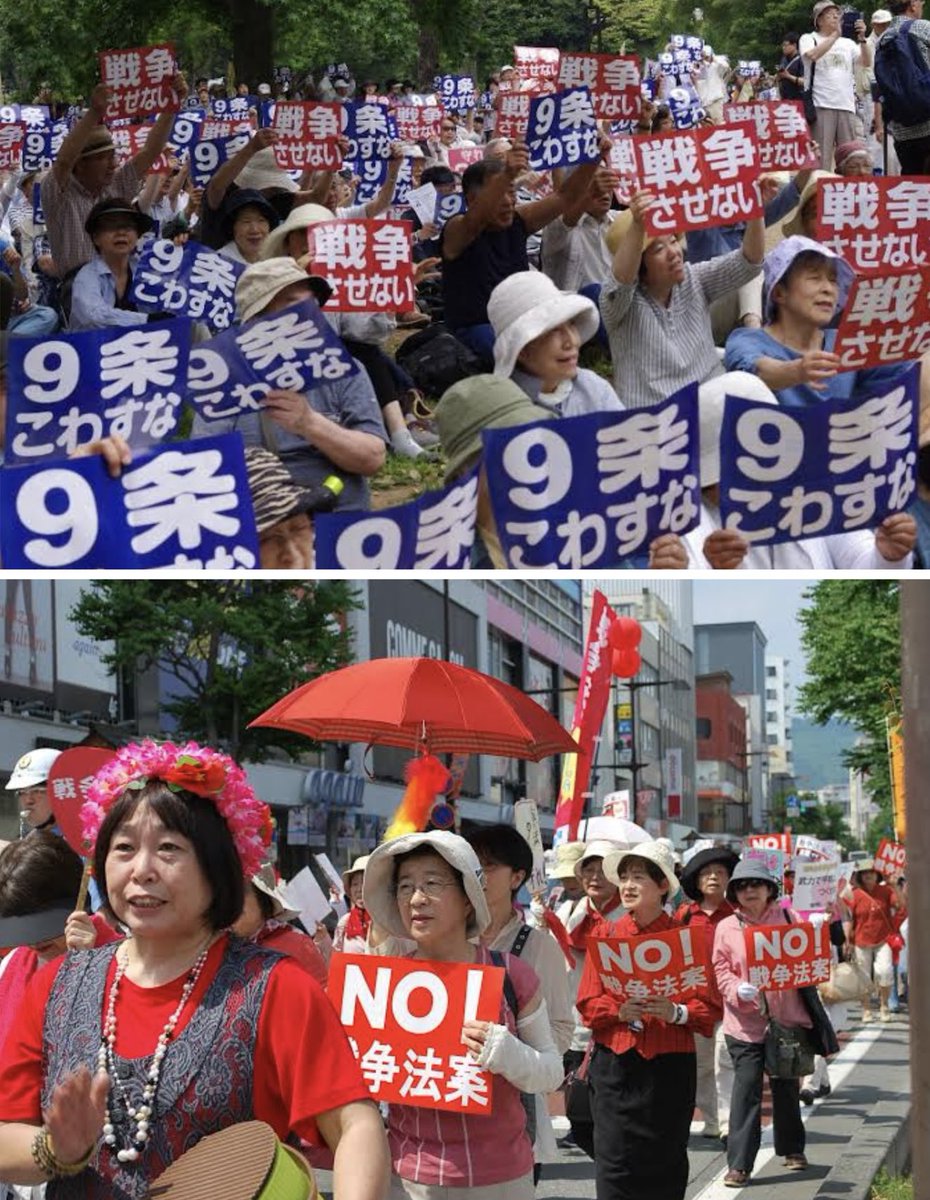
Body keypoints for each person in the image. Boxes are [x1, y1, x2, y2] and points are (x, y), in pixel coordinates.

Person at [0, 739, 389, 1198]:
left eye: (168, 848)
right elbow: (8, 1133)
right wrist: (55, 1150)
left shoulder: (274, 987)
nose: (142, 870)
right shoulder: (58, 985)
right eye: (123, 847)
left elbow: (356, 1125)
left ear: (217, 866)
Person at [362, 830, 563, 1200]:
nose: (416, 899)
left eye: (432, 883)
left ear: (469, 898)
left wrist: (508, 1052)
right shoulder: (383, 983)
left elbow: (551, 1072)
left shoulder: (512, 975)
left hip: (500, 1180)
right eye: (405, 887)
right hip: (407, 1178)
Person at [576, 841, 720, 1200]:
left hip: (670, 1065)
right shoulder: (606, 935)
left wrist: (675, 1012)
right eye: (624, 877)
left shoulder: (685, 939)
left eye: (638, 877)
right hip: (616, 1064)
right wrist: (618, 1011)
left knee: (666, 1159)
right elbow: (588, 1004)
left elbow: (708, 1010)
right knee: (613, 1162)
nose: (627, 885)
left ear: (662, 885)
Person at [191, 257, 387, 512]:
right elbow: (206, 467)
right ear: (257, 321)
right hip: (266, 523)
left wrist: (311, 424)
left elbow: (372, 459)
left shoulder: (345, 370)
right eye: (295, 305)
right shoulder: (225, 383)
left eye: (313, 304)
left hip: (340, 517)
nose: (311, 314)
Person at [465, 824, 575, 1175]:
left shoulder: (538, 946)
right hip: (448, 1095)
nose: (478, 874)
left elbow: (561, 1029)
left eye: (489, 866)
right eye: (472, 864)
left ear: (517, 877)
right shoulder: (442, 937)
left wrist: (510, 1051)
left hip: (513, 1107)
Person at [600, 190, 772, 410]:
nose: (674, 252)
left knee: (752, 389)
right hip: (656, 416)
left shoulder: (694, 278)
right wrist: (638, 225)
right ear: (638, 265)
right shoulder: (619, 304)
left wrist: (756, 209)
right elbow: (621, 281)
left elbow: (749, 263)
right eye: (658, 249)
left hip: (712, 401)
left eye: (673, 241)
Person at [441, 142, 602, 367]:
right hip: (478, 328)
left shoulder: (520, 220)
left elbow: (565, 197)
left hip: (527, 322)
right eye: (500, 193)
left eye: (511, 192)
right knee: (502, 346)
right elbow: (475, 219)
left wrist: (595, 155)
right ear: (471, 199)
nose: (509, 202)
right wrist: (508, 173)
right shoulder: (457, 230)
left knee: (594, 296)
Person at [712, 859, 813, 1187]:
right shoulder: (726, 927)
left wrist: (819, 933)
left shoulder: (790, 918)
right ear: (734, 893)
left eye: (756, 884)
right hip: (743, 1024)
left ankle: (793, 1148)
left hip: (785, 1019)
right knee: (746, 1090)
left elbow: (809, 960)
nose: (749, 890)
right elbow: (720, 969)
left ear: (770, 889)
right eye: (741, 886)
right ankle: (739, 1164)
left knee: (786, 1086)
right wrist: (736, 988)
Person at [724, 236, 908, 407]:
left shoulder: (848, 343)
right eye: (814, 278)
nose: (828, 289)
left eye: (833, 280)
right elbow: (751, 374)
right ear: (779, 293)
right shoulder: (748, 340)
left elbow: (902, 379)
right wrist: (796, 371)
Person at [41, 76, 188, 281]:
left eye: (114, 156)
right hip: (75, 291)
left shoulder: (116, 185)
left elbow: (150, 151)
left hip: (118, 288)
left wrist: (172, 105)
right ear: (80, 164)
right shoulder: (59, 194)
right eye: (103, 158)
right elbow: (63, 162)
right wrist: (95, 112)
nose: (113, 164)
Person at [488, 271, 623, 416]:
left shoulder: (593, 388)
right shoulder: (500, 410)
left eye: (571, 324)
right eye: (554, 330)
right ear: (522, 350)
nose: (571, 341)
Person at [676, 847, 739, 1142]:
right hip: (696, 1003)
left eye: (720, 873)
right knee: (702, 1067)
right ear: (696, 881)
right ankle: (712, 1120)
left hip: (732, 1003)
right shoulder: (685, 915)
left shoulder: (738, 914)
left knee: (726, 1062)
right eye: (706, 873)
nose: (713, 878)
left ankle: (729, 1123)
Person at [231, 861, 328, 987]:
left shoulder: (298, 943)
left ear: (263, 900)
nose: (232, 901)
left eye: (241, 892)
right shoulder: (218, 946)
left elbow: (321, 992)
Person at [800, 1, 871, 169]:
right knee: (821, 158)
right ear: (819, 20)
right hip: (821, 104)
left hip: (846, 105)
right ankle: (819, 185)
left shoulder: (847, 43)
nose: (835, 17)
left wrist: (862, 39)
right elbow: (812, 55)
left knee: (850, 160)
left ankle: (846, 185)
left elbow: (866, 62)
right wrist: (834, 36)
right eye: (829, 14)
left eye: (837, 14)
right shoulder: (809, 38)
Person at [68, 199, 156, 332]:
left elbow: (170, 304)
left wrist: (180, 249)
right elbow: (93, 317)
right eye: (111, 226)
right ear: (96, 238)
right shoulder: (86, 276)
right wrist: (147, 320)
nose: (121, 232)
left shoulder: (145, 270)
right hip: (94, 344)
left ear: (138, 235)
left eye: (128, 226)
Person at [874, 0, 930, 173]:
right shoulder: (923, 27)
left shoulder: (882, 39)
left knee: (913, 184)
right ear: (912, 5)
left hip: (902, 130)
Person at [841, 858, 899, 1022]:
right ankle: (866, 1010)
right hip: (860, 941)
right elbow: (848, 918)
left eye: (871, 872)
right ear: (860, 876)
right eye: (864, 872)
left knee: (885, 972)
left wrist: (895, 886)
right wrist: (847, 940)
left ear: (877, 874)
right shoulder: (853, 894)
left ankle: (884, 1005)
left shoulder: (886, 891)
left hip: (883, 939)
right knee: (863, 976)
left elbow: (900, 905)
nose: (868, 875)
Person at [4, 749, 61, 837]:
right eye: (22, 792)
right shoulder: (32, 838)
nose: (28, 801)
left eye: (37, 791)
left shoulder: (80, 841)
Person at [218, 189, 280, 266]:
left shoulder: (280, 259)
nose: (255, 230)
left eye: (261, 220)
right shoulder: (220, 262)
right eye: (246, 221)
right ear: (232, 228)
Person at [332, 855, 371, 953]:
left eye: (364, 883)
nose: (359, 889)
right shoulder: (345, 922)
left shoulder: (389, 922)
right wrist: (323, 940)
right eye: (355, 884)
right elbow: (335, 956)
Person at [777, 34, 806, 101]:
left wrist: (788, 76)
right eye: (782, 45)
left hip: (799, 99)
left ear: (794, 45)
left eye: (785, 45)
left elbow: (806, 82)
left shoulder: (802, 59)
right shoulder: (783, 59)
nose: (783, 48)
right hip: (785, 99)